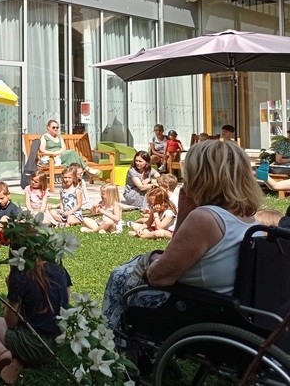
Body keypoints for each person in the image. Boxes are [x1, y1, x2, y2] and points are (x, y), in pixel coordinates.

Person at [103, 139, 261, 334]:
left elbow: (158, 277)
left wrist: (151, 258)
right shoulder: (251, 220)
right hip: (231, 311)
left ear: (201, 176)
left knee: (120, 275)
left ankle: (114, 339)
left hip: (194, 309)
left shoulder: (206, 219)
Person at [0, 246, 71, 383]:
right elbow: (67, 299)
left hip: (32, 345)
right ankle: (20, 360)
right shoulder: (58, 265)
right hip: (57, 345)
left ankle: (2, 353)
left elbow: (11, 323)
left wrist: (11, 289)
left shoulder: (20, 276)